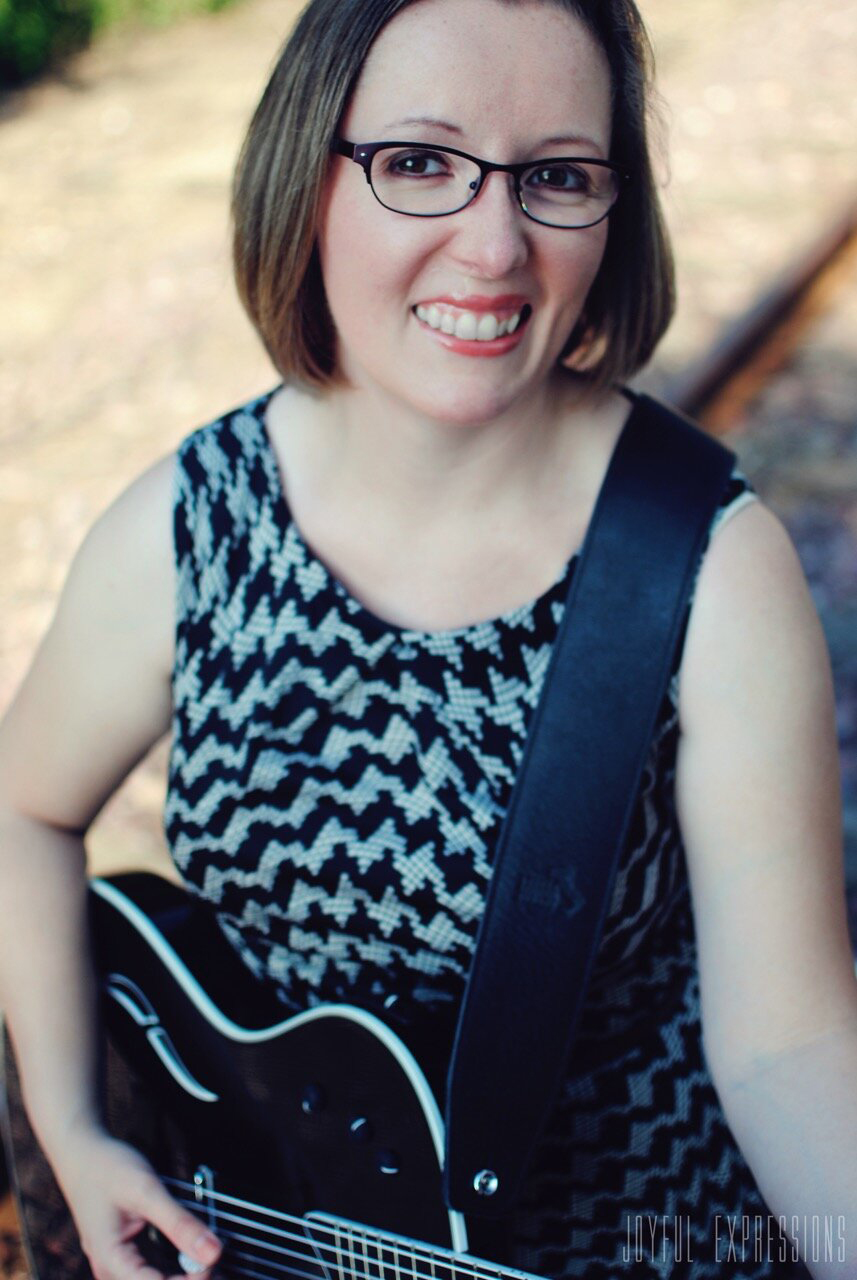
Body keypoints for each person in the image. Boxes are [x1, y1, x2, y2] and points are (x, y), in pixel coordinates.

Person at [0, 0, 855, 1277]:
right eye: (418, 163)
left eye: (556, 176)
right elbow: (22, 807)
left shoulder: (709, 574)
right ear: (309, 174)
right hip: (275, 1221)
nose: (494, 244)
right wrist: (73, 1125)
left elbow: (785, 1040)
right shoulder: (188, 530)